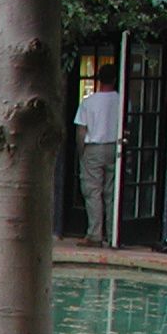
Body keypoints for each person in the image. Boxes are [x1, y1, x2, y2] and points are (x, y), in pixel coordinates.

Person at [73, 71, 121, 247]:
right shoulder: (121, 100)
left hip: (93, 148)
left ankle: (95, 234)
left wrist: (81, 152)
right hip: (115, 146)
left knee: (93, 192)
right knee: (111, 192)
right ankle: (112, 233)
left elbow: (81, 131)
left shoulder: (88, 102)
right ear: (115, 80)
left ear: (98, 81)